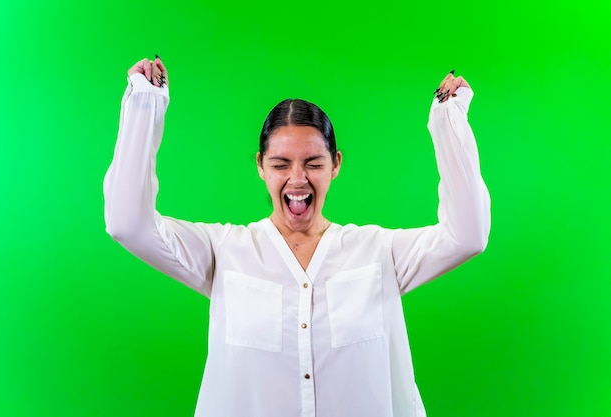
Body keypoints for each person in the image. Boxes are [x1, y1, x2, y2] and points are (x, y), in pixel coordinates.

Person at [104, 56, 490, 417]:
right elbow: (128, 224)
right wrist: (145, 108)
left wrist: (448, 122)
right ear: (260, 166)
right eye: (280, 164)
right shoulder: (222, 251)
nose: (298, 179)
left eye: (314, 163)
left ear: (335, 164)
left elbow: (468, 235)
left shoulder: (379, 253)